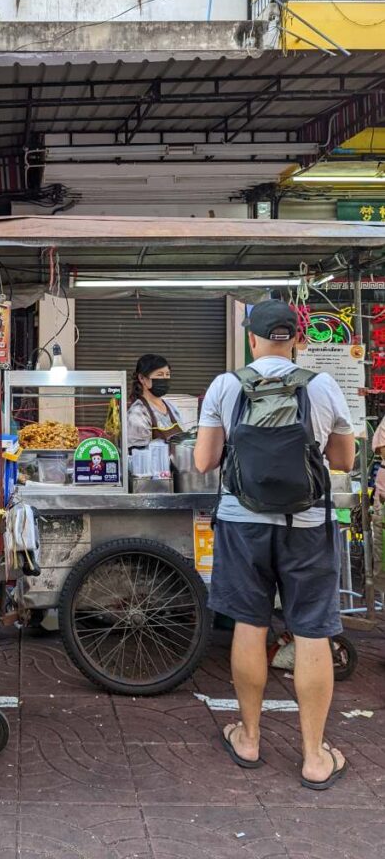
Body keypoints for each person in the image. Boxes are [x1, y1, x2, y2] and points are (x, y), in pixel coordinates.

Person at [194, 300, 355, 791]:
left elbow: (203, 461)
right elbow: (343, 461)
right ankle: (314, 757)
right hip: (306, 525)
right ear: (297, 340)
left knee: (250, 623)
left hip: (242, 523)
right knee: (311, 631)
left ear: (252, 340)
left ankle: (248, 738)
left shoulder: (226, 385)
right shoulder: (322, 385)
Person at [125, 354, 183, 449]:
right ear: (142, 378)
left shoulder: (171, 407)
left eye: (167, 374)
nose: (165, 378)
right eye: (160, 375)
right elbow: (138, 453)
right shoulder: (138, 413)